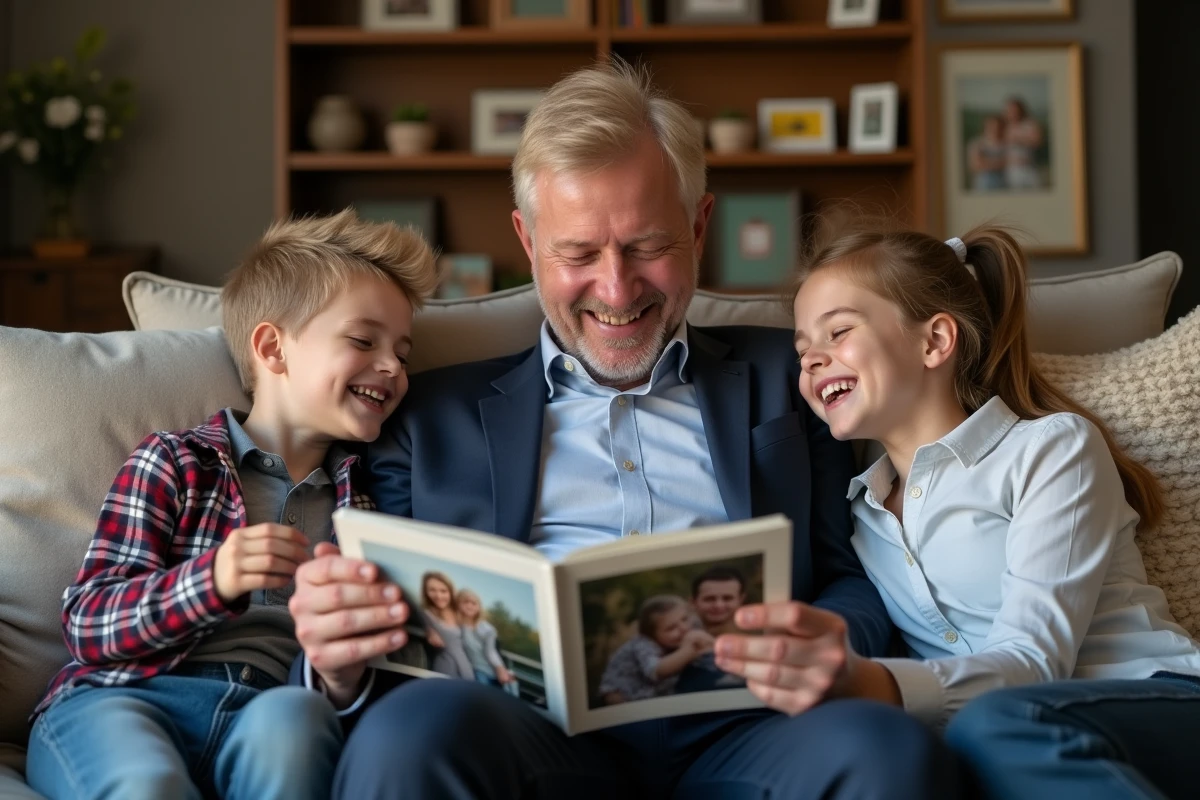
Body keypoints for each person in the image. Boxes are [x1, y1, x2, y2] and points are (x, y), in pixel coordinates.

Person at [289, 61, 961, 800]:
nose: (616, 289)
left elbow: (853, 577)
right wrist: (337, 665)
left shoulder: (796, 375)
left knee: (885, 750)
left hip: (756, 728)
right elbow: (380, 626)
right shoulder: (424, 418)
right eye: (579, 254)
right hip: (527, 737)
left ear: (699, 225)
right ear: (528, 239)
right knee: (408, 733)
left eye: (647, 246)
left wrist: (832, 642)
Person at [717, 211, 1200, 799]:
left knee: (993, 724)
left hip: (1156, 701)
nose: (813, 359)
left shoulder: (1050, 449)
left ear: (934, 341)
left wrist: (878, 684)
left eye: (838, 332)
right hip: (998, 743)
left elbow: (1035, 660)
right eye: (803, 348)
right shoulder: (860, 516)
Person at [24, 210, 439, 800]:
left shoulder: (366, 505)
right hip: (126, 696)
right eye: (363, 340)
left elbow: (365, 663)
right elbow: (89, 623)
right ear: (273, 349)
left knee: (300, 725)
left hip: (267, 707)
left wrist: (339, 675)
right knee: (147, 783)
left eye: (403, 351)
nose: (394, 367)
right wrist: (211, 579)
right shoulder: (175, 462)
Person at [599, 595, 714, 704]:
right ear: (652, 635)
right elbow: (655, 671)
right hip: (624, 694)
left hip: (656, 693)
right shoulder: (643, 644)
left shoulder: (691, 626)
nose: (683, 628)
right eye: (671, 628)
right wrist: (688, 651)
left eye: (684, 619)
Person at [675, 566, 749, 693]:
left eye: (727, 598)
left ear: (741, 600)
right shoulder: (672, 644)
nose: (718, 605)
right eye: (709, 599)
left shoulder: (756, 644)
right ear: (693, 602)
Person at [457, 588, 517, 689]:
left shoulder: (487, 629)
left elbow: (491, 652)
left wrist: (500, 669)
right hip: (477, 671)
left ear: (479, 607)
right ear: (458, 604)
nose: (469, 606)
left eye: (474, 603)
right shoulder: (457, 626)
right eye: (466, 602)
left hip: (493, 671)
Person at [419, 571, 474, 679]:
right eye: (432, 590)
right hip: (445, 666)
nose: (438, 596)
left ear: (450, 592)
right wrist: (429, 631)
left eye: (443, 591)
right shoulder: (427, 613)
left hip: (466, 667)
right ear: (426, 592)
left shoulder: (458, 612)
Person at [1003, 96, 1045, 190]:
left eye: (1015, 110)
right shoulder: (1004, 126)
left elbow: (1038, 141)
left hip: (1030, 168)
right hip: (1012, 170)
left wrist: (1019, 140)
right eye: (1010, 110)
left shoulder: (1031, 124)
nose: (1013, 113)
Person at [966, 114, 1007, 191]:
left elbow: (1012, 162)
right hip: (984, 184)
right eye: (991, 126)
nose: (995, 129)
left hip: (1003, 184)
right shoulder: (976, 143)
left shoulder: (1006, 144)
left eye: (998, 126)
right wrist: (1001, 163)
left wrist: (986, 162)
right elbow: (975, 165)